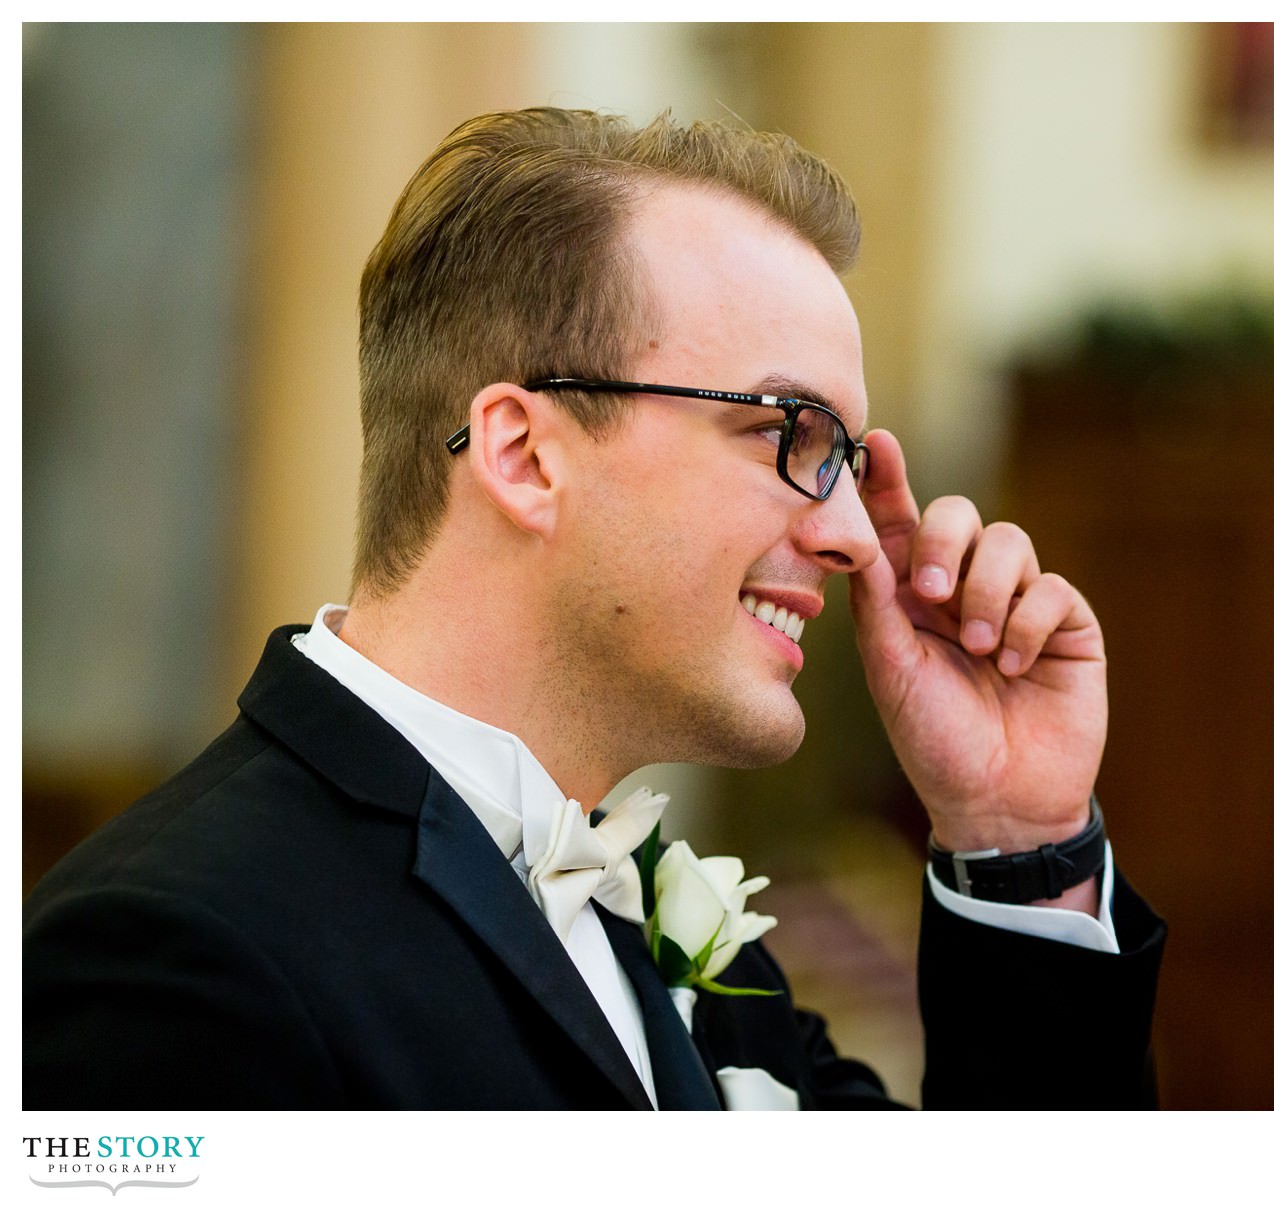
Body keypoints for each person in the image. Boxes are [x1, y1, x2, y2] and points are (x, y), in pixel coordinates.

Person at [23, 107, 1165, 1110]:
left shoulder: (659, 915)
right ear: (523, 454)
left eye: (845, 459)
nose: (856, 539)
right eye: (789, 436)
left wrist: (1015, 840)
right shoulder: (176, 955)